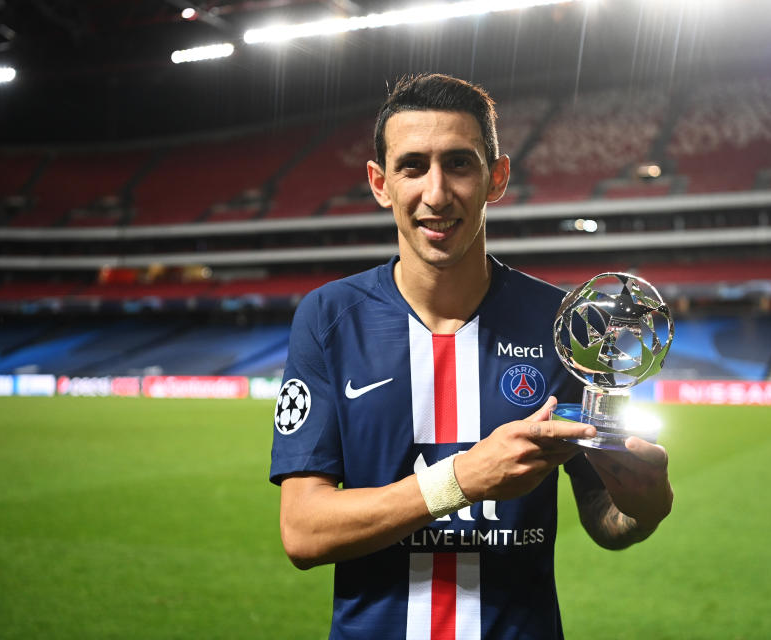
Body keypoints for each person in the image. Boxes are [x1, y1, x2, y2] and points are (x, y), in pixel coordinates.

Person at [270, 73, 673, 639]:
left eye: (459, 163)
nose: (436, 194)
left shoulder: (567, 324)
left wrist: (644, 504)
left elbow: (607, 520)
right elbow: (304, 533)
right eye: (412, 166)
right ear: (380, 182)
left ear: (497, 177)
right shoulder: (330, 317)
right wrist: (461, 478)